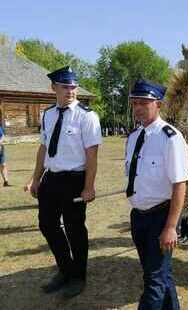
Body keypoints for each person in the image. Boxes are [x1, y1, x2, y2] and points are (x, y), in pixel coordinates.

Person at [26, 66, 102, 298]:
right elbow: (44, 148)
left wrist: (89, 186)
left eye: (73, 86)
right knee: (47, 224)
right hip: (52, 178)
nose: (71, 90)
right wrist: (35, 178)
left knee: (74, 228)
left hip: (75, 180)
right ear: (54, 88)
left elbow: (92, 155)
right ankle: (65, 269)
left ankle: (78, 276)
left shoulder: (87, 116)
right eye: (65, 86)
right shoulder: (47, 114)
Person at [125, 79, 187, 309]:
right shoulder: (133, 137)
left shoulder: (170, 138)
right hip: (138, 216)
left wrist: (171, 227)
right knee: (158, 275)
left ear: (158, 104)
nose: (138, 107)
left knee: (154, 282)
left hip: (161, 217)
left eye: (144, 103)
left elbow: (180, 184)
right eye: (135, 103)